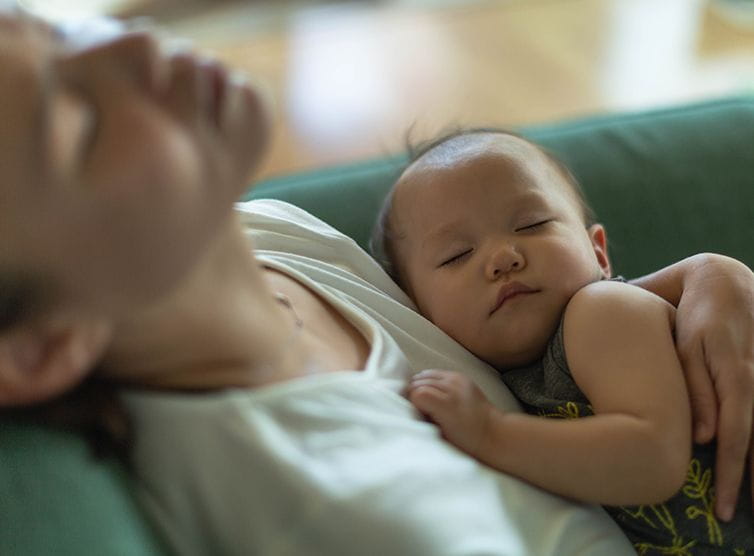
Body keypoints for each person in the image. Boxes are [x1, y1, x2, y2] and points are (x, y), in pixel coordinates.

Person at [0, 8, 753, 555]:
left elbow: (543, 325)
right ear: (42, 346)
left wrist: (697, 281)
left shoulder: (274, 231)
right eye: (74, 124)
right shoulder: (330, 508)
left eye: (59, 34)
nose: (133, 43)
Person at [370, 128, 754, 552]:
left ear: (599, 254)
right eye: (457, 254)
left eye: (532, 225)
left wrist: (491, 433)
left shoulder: (601, 311)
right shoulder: (509, 380)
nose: (503, 257)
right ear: (418, 311)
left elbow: (653, 459)